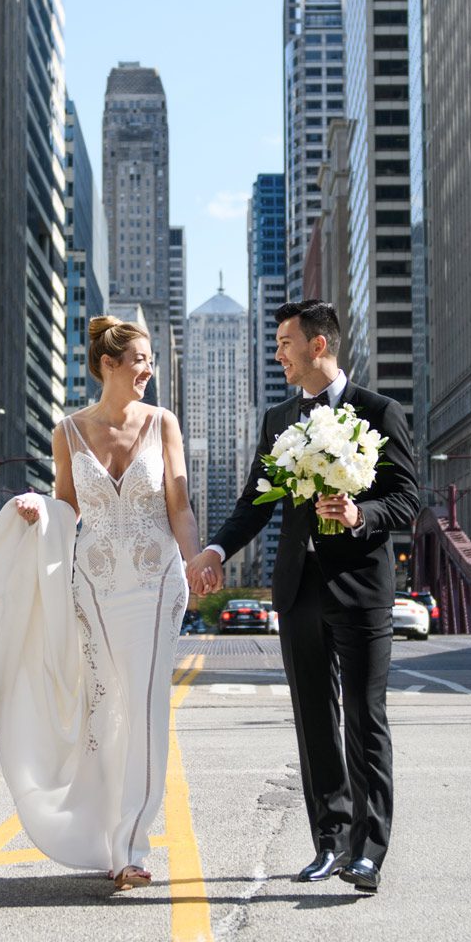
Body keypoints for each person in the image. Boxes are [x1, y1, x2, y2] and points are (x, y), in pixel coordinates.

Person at [0, 317, 200, 892]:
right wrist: (39, 510)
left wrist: (196, 560)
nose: (149, 370)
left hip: (155, 583)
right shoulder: (68, 430)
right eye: (139, 359)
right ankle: (101, 832)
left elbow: (180, 507)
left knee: (144, 707)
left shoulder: (164, 423)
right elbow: (67, 507)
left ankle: (132, 848)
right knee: (104, 712)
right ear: (108, 364)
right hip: (92, 587)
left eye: (150, 360)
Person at [187, 300, 419, 895]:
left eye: (285, 343)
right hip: (298, 589)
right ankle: (330, 843)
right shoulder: (279, 419)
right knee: (314, 720)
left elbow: (408, 500)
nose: (277, 354)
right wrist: (214, 550)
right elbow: (255, 502)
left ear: (319, 346)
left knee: (365, 718)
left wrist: (359, 513)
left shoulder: (378, 411)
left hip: (362, 587)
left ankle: (368, 852)